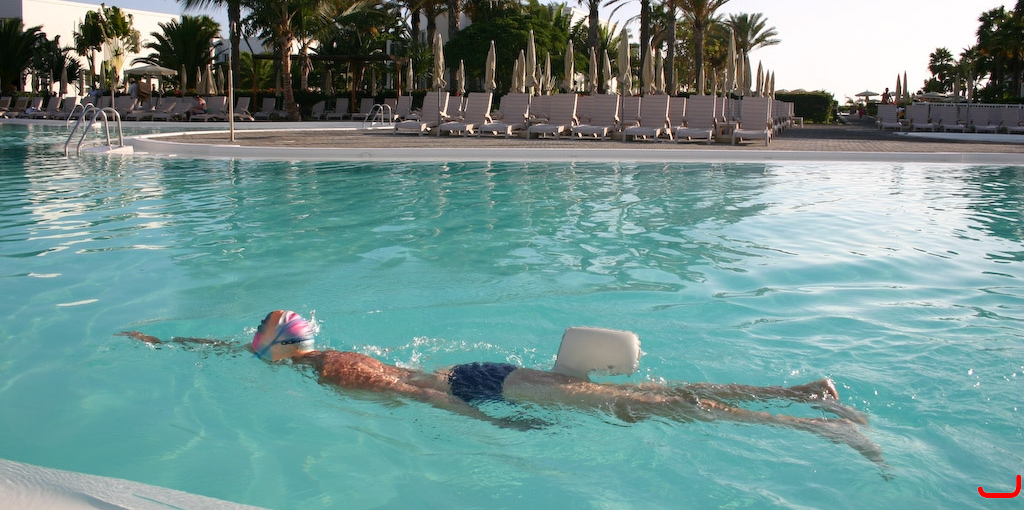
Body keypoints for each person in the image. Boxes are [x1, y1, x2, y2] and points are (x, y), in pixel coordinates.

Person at [118, 310, 884, 465]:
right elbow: (230, 347)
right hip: (485, 373)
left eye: (257, 343)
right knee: (659, 389)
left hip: (488, 390)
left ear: (278, 351)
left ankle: (815, 425)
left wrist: (494, 429)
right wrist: (166, 343)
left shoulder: (333, 372)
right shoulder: (323, 353)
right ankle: (798, 392)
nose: (251, 351)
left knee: (646, 405)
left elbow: (420, 397)